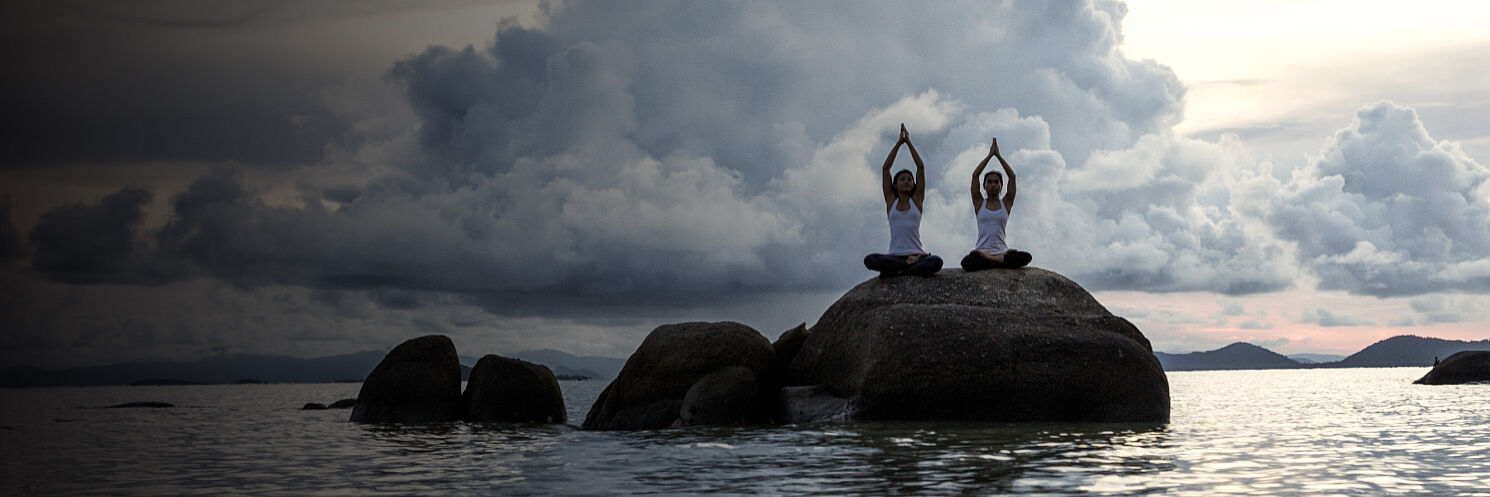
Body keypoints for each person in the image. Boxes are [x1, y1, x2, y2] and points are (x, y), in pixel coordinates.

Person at [864, 124, 943, 278]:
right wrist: (899, 143)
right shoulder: (891, 201)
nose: (906, 182)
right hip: (894, 256)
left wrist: (909, 142)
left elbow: (920, 167)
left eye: (909, 179)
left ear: (914, 184)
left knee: (936, 262)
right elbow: (886, 169)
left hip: (917, 253)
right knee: (869, 259)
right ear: (895, 184)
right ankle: (908, 265)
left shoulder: (917, 201)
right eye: (902, 179)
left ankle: (900, 270)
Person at [961, 137, 1032, 271]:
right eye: (989, 182)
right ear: (984, 186)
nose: (993, 185)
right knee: (966, 262)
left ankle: (992, 259)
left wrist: (998, 156)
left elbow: (1012, 177)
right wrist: (989, 156)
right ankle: (996, 260)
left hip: (1002, 252)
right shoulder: (979, 203)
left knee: (1026, 257)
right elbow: (975, 175)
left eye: (996, 182)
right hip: (981, 252)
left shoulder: (1006, 203)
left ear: (1001, 186)